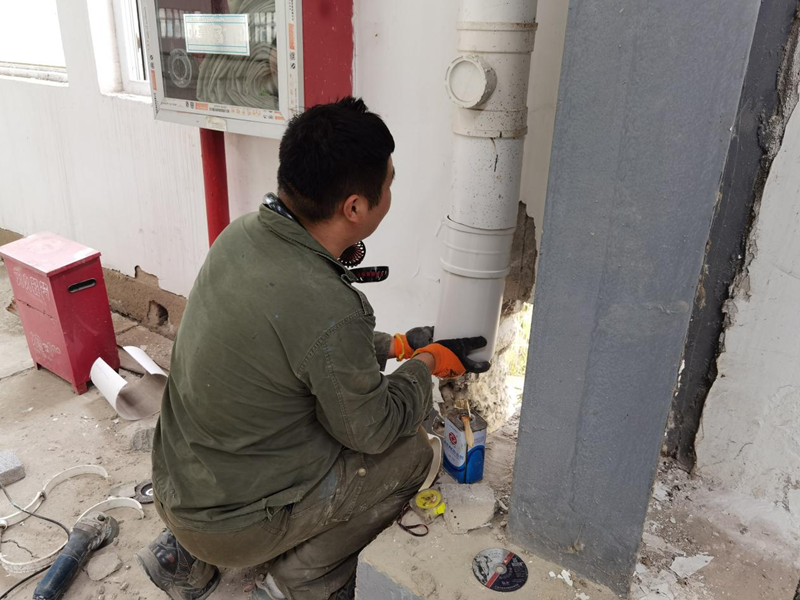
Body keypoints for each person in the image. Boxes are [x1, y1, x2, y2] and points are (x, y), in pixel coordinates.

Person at [134, 97, 490, 600]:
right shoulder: (329, 307)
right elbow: (372, 429)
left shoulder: (242, 236)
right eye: (389, 184)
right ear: (355, 207)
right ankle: (300, 580)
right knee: (411, 451)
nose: (392, 192)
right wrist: (427, 363)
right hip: (229, 527)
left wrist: (396, 346)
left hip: (180, 487)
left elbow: (298, 343)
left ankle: (183, 559)